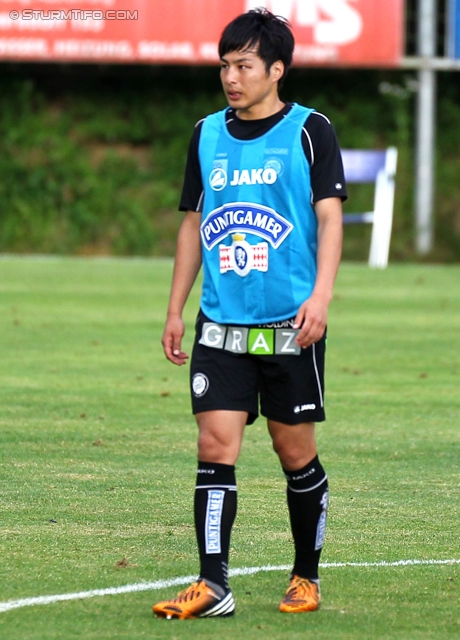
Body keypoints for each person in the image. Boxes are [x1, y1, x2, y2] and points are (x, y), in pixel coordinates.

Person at [153, 7, 346, 620]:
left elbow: (330, 218)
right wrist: (176, 308)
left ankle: (305, 576)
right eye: (224, 66)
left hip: (290, 326)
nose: (231, 77)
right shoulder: (205, 134)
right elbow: (191, 223)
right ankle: (213, 584)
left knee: (295, 453)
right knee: (215, 444)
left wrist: (321, 296)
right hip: (221, 325)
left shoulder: (311, 131)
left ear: (277, 70)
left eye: (244, 65)